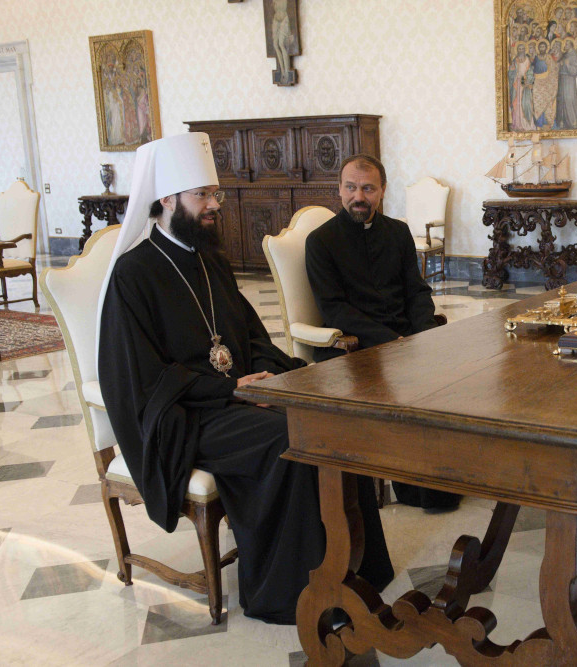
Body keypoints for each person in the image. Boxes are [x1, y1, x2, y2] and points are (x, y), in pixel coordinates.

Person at [97, 133, 394, 625]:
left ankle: (358, 568)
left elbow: (249, 335)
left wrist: (286, 376)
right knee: (289, 437)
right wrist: (230, 388)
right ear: (167, 200)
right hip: (187, 416)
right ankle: (293, 593)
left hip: (236, 393)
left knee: (331, 408)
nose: (215, 205)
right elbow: (144, 381)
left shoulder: (208, 257)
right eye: (203, 196)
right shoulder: (132, 276)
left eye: (214, 194)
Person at [305, 154, 460, 511]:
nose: (358, 196)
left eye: (368, 188)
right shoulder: (321, 241)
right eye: (350, 187)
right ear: (339, 189)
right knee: (406, 384)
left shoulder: (397, 232)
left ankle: (447, 477)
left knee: (452, 378)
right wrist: (394, 344)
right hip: (354, 346)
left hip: (407, 338)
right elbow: (335, 309)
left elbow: (416, 291)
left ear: (383, 191)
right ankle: (413, 486)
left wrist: (423, 335)